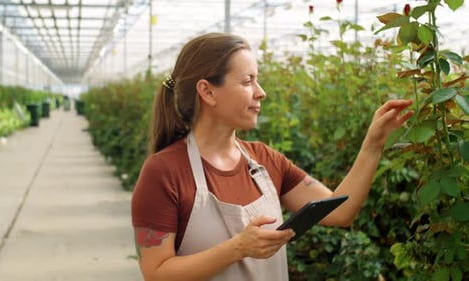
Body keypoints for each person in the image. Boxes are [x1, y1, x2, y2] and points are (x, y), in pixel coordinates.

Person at [131, 32, 413, 281]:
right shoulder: (165, 171)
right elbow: (156, 273)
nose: (261, 92)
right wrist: (238, 248)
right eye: (247, 81)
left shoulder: (265, 161)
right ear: (207, 91)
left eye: (258, 80)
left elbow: (339, 212)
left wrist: (373, 144)